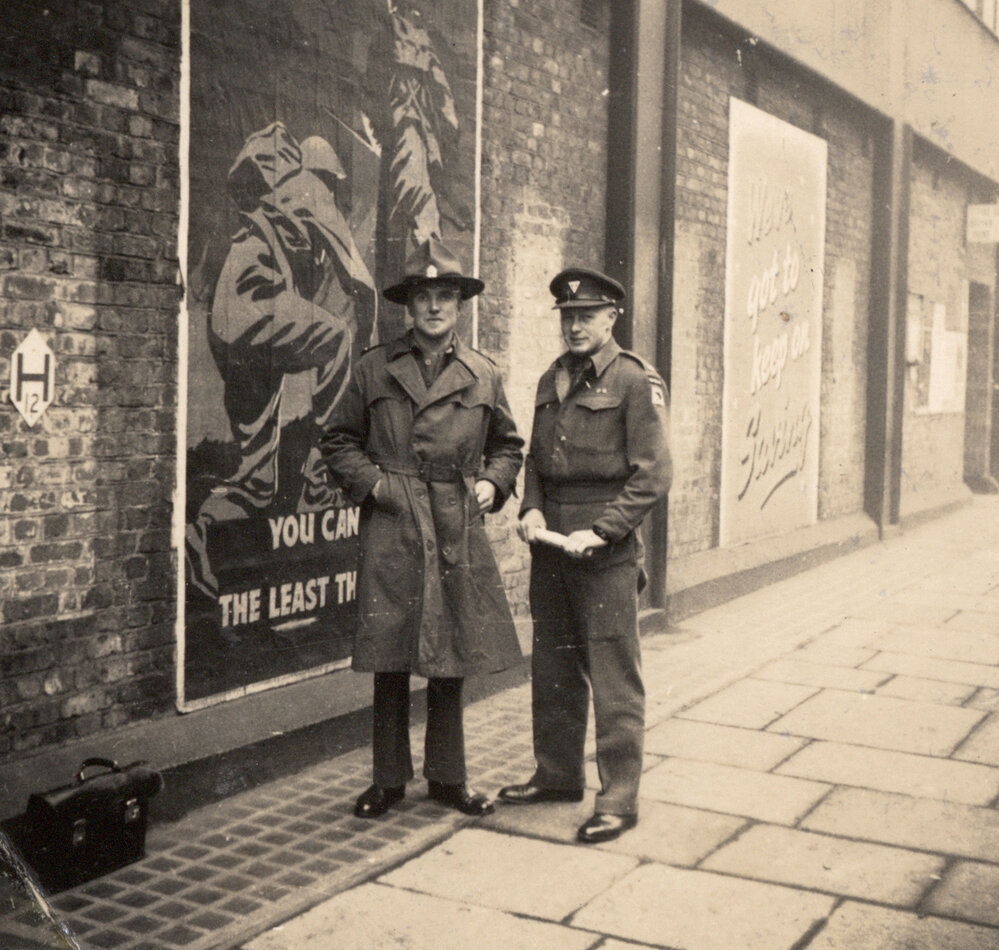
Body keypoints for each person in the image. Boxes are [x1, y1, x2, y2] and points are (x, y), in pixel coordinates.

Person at [321, 237, 524, 819]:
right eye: (423, 296)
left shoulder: (482, 372)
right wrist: (378, 487)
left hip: (455, 518)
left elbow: (508, 445)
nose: (434, 307)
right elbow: (338, 440)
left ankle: (447, 778)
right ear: (407, 306)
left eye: (445, 295)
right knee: (389, 653)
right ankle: (387, 780)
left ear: (460, 305)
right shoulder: (374, 367)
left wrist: (492, 483)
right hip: (395, 520)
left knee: (451, 651)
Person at [498, 267, 672, 843]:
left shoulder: (634, 380)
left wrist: (605, 531)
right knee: (552, 667)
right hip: (552, 548)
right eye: (567, 316)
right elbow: (536, 459)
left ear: (611, 318)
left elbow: (652, 477)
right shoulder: (553, 378)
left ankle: (619, 798)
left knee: (613, 675)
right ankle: (557, 775)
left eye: (586, 316)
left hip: (605, 552)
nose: (574, 326)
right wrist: (532, 509)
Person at [185, 122, 376, 600]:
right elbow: (360, 281)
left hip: (229, 322)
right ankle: (321, 473)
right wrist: (363, 347)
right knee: (335, 338)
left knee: (255, 480)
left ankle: (201, 534)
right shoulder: (312, 190)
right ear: (327, 176)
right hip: (257, 300)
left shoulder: (271, 199)